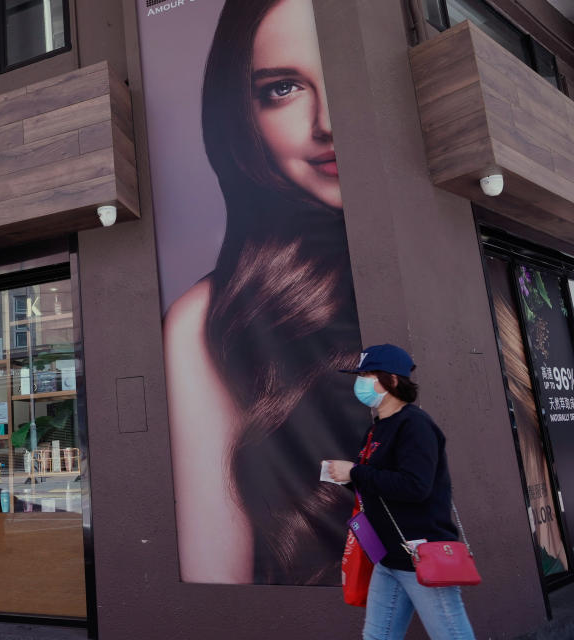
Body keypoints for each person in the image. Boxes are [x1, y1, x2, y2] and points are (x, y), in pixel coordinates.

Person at [164, 0, 369, 584]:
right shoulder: (207, 322)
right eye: (284, 88)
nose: (328, 120)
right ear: (243, 118)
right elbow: (215, 592)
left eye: (345, 70)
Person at [326, 344, 475, 640]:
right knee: (377, 636)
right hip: (388, 557)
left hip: (421, 554)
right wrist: (347, 478)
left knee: (451, 635)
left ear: (393, 380)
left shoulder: (415, 425)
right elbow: (379, 481)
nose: (362, 381)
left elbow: (415, 486)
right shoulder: (377, 428)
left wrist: (354, 472)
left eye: (369, 374)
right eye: (361, 374)